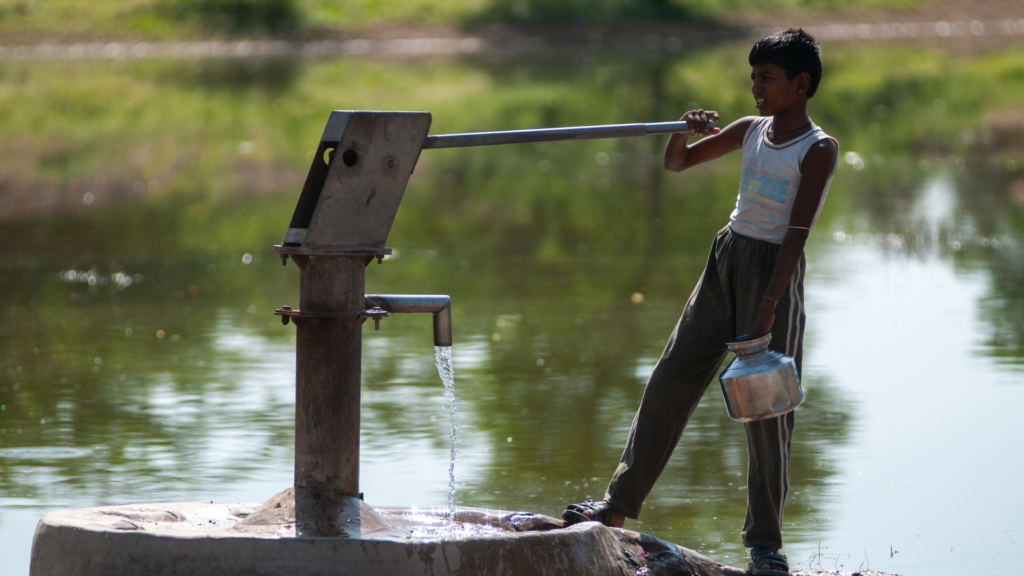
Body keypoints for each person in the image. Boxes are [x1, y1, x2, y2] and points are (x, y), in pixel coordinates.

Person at [561, 28, 838, 576]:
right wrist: (679, 133)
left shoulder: (818, 149)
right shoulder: (750, 130)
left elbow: (797, 235)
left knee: (765, 410)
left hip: (772, 272)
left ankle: (766, 548)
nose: (756, 87)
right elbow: (679, 164)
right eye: (753, 76)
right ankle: (617, 507)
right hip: (726, 258)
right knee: (671, 376)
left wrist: (768, 307)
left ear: (801, 84)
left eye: (768, 78)